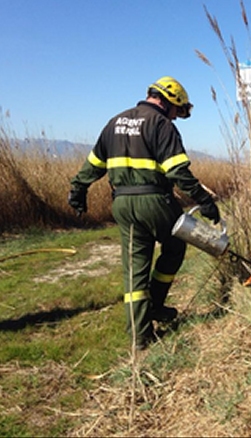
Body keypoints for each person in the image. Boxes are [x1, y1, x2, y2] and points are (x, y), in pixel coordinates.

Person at [67, 76, 220, 350]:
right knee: (174, 248)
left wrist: (78, 190)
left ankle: (140, 336)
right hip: (156, 201)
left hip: (123, 205)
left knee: (135, 271)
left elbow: (93, 164)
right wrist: (204, 201)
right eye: (177, 110)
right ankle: (157, 306)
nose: (175, 117)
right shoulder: (161, 125)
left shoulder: (114, 122)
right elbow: (178, 172)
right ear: (169, 100)